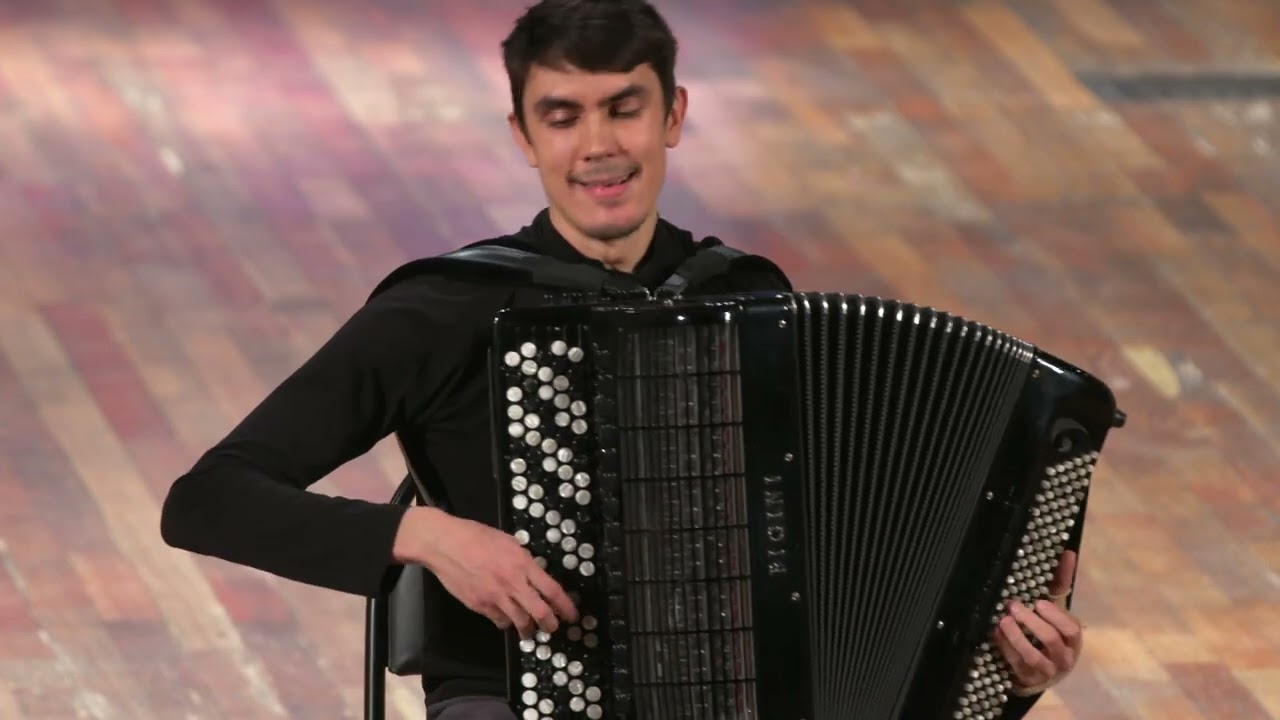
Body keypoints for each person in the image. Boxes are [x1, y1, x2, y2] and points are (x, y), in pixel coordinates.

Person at [159, 1, 1084, 718]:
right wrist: (426, 539)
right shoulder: (440, 311)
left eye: (623, 109)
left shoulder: (754, 298)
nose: (597, 145)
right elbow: (207, 500)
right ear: (523, 137)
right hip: (511, 695)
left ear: (672, 115)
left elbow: (840, 571)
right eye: (561, 117)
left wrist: (1002, 664)